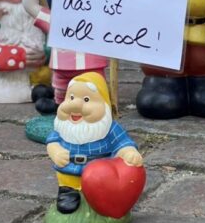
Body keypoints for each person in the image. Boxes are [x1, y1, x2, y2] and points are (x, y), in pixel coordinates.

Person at [45, 72, 142, 215]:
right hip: (69, 173)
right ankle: (68, 192)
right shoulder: (63, 128)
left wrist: (129, 152)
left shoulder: (109, 129)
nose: (75, 105)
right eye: (71, 97)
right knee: (68, 190)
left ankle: (101, 199)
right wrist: (56, 152)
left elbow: (122, 142)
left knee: (101, 187)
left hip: (100, 176)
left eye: (86, 99)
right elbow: (52, 142)